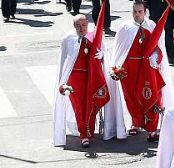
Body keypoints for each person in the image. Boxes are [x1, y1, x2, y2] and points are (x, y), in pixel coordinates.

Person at [53, 15, 127, 147]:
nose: (81, 28)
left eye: (83, 25)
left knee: (91, 104)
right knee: (79, 107)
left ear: (87, 23)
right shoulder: (68, 39)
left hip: (91, 77)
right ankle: (84, 135)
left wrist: (102, 55)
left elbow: (104, 52)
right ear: (74, 26)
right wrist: (61, 81)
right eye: (78, 26)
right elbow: (63, 60)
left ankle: (89, 131)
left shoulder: (94, 36)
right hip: (75, 78)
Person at [111, 1, 174, 141]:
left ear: (145, 12)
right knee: (132, 96)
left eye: (140, 12)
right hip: (130, 69)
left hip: (148, 68)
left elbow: (159, 47)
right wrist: (116, 67)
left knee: (152, 96)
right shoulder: (125, 27)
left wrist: (155, 56)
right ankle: (136, 122)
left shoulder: (152, 26)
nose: (137, 14)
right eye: (134, 11)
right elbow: (119, 49)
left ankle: (152, 129)